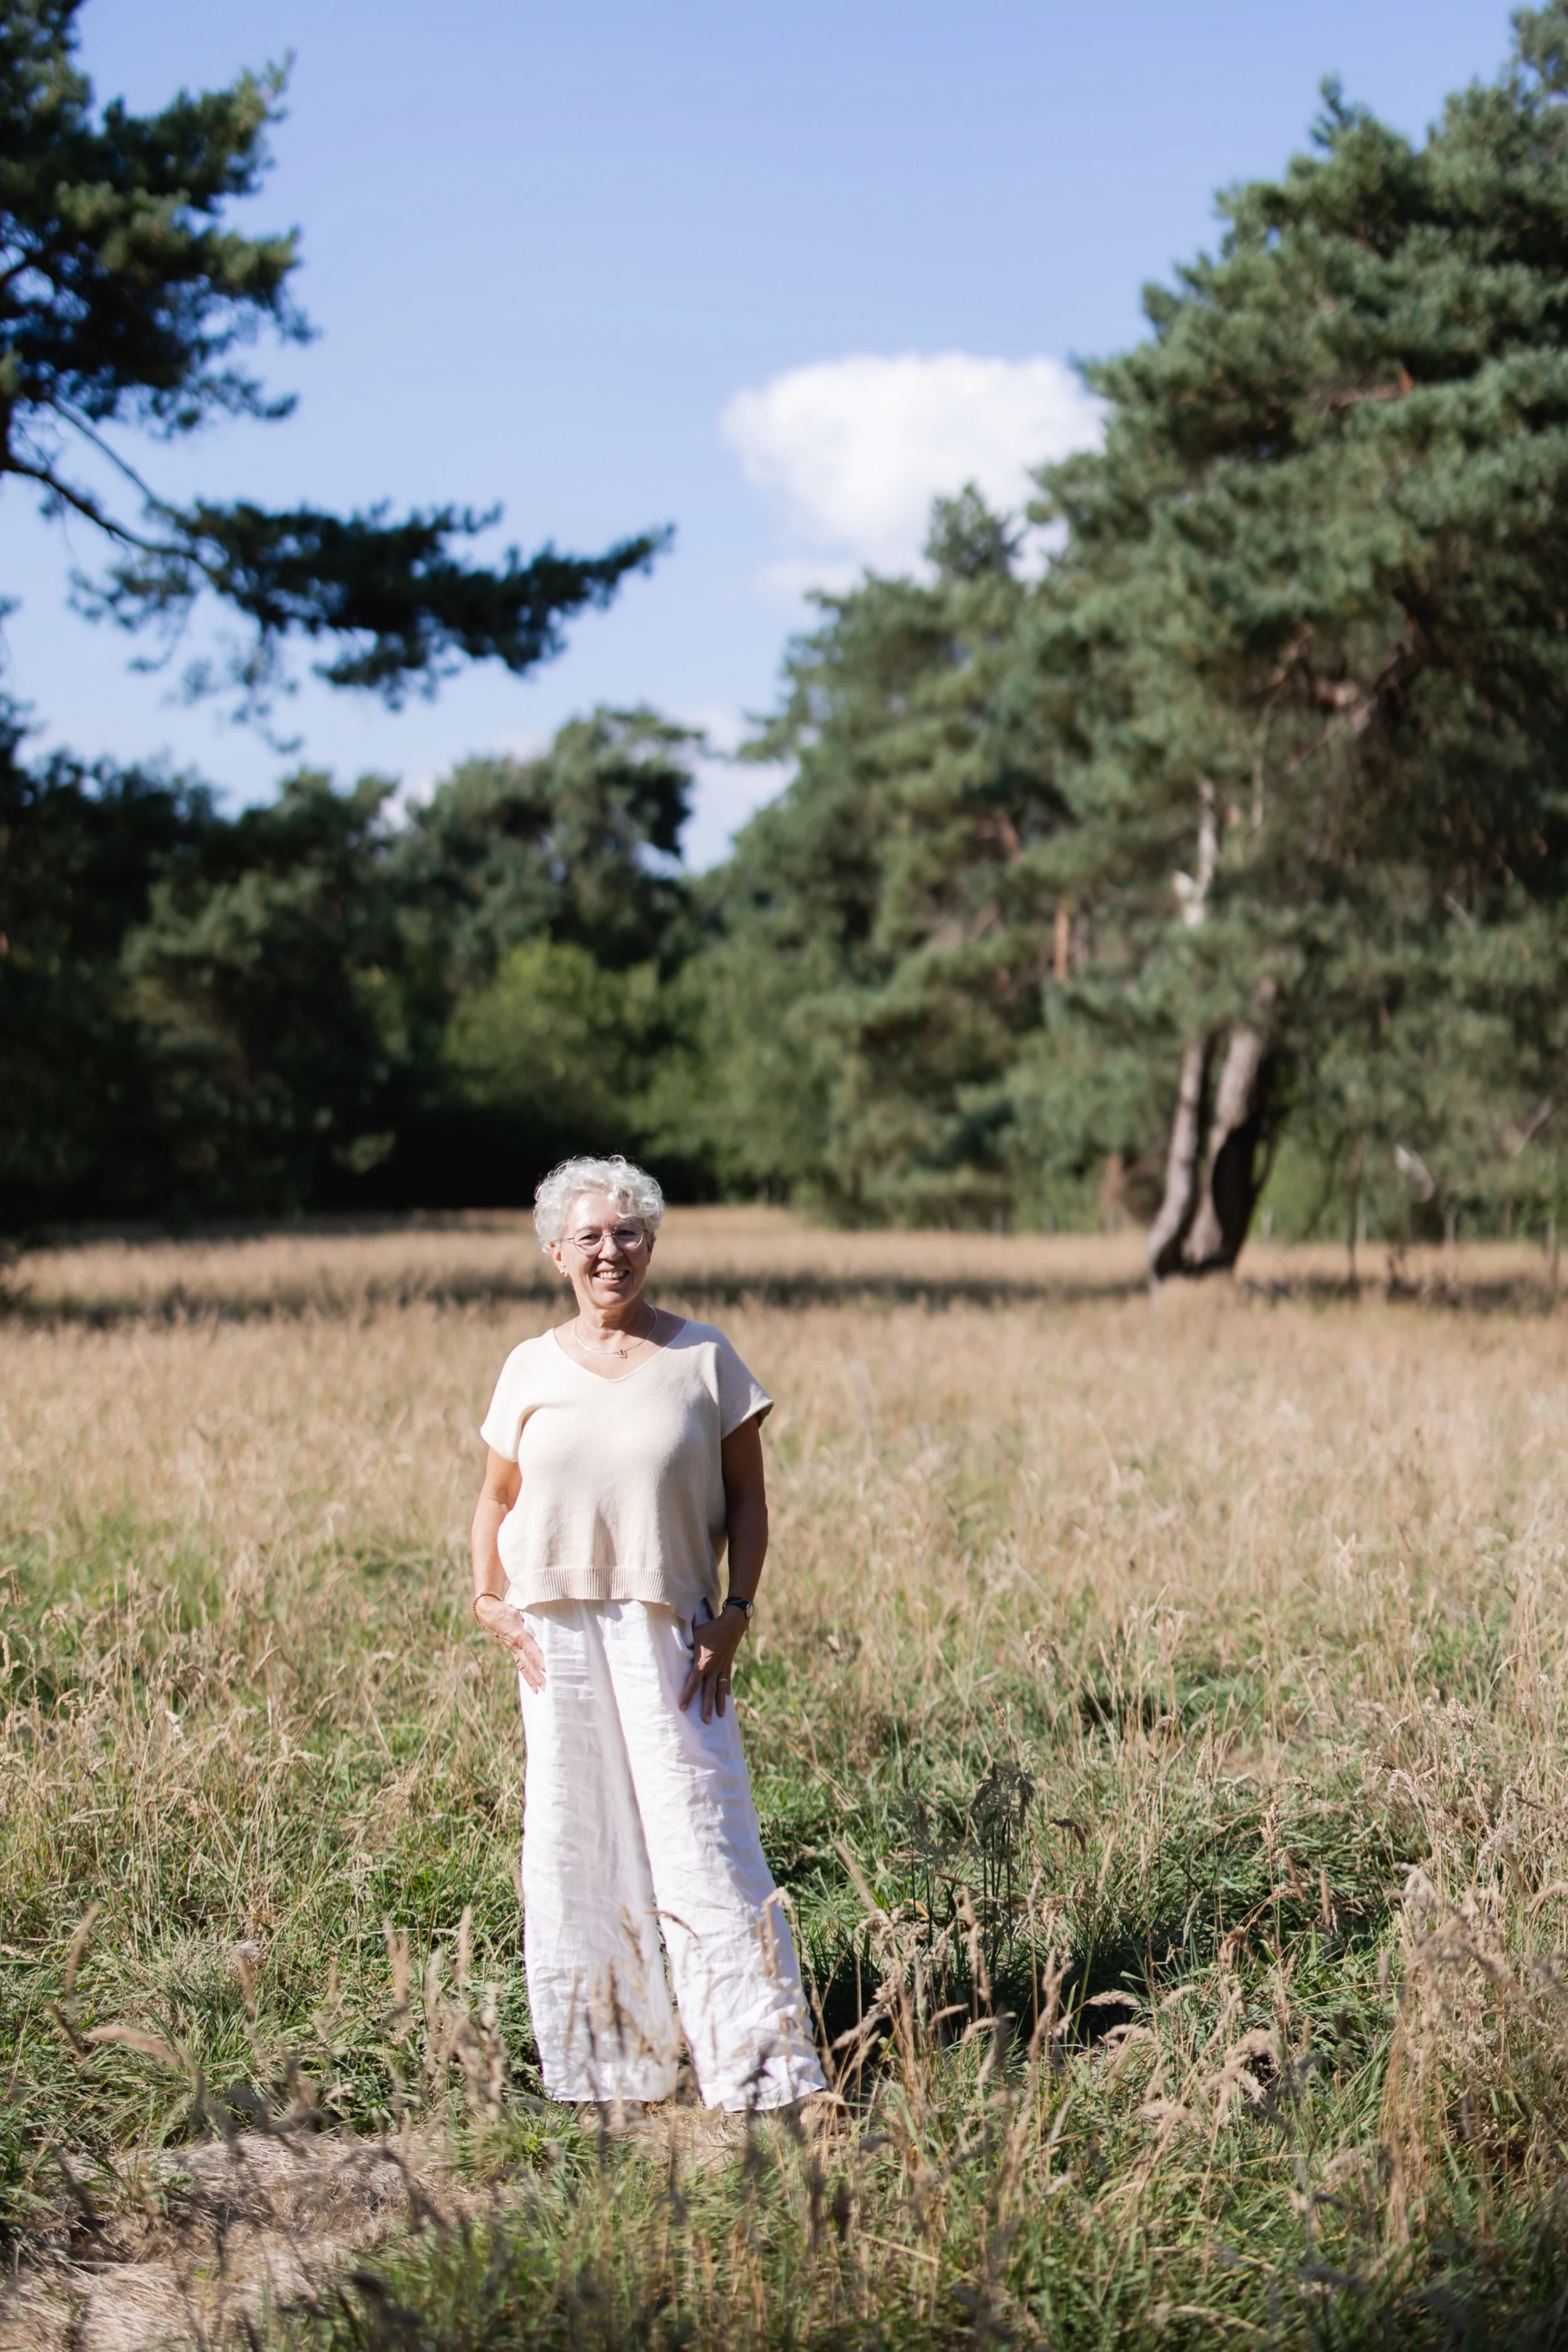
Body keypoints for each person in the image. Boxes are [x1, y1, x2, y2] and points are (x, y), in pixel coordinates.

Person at [470, 1153, 827, 2114]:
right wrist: (485, 1597)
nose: (609, 1251)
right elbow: (495, 1494)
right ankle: (606, 2068)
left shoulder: (704, 1358)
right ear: (557, 1253)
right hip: (554, 1633)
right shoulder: (529, 1366)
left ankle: (764, 2072)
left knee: (703, 1837)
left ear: (652, 1243)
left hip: (672, 1624)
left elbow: (750, 1499)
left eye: (626, 1232)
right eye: (588, 1236)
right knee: (574, 1841)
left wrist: (740, 1610)